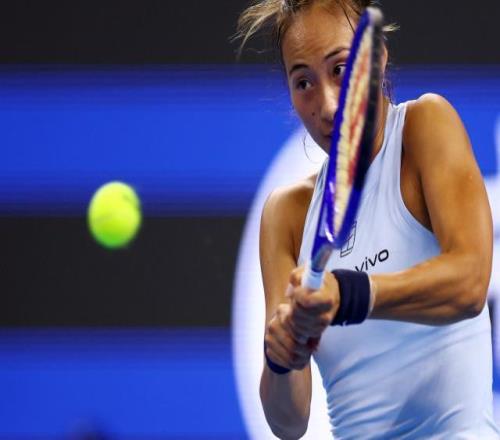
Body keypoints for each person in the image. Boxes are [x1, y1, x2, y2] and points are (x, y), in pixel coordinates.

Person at [235, 0, 500, 438]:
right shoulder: (285, 214)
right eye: (303, 82)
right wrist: (281, 357)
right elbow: (289, 422)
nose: (326, 104)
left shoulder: (425, 125)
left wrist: (349, 294)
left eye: (340, 69)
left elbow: (470, 281)